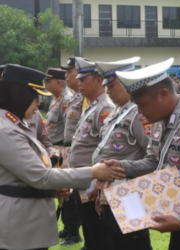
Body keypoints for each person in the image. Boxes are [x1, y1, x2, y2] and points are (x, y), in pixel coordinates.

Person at [106, 58, 180, 250]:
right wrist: (122, 166)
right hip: (178, 217)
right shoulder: (159, 122)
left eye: (142, 104)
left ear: (162, 94)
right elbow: (154, 162)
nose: (140, 112)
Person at [0, 64, 119, 250]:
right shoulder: (6, 130)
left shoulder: (13, 125)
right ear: (20, 95)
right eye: (35, 97)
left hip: (25, 223)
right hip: (19, 228)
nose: (38, 104)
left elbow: (22, 177)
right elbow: (41, 176)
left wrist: (49, 191)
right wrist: (94, 172)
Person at [93, 57, 153, 250]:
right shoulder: (117, 112)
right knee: (114, 242)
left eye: (111, 86)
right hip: (110, 192)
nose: (107, 92)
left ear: (127, 82)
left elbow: (153, 157)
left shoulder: (139, 113)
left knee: (133, 244)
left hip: (129, 194)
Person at [68, 57, 114, 250]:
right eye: (78, 79)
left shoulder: (105, 108)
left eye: (83, 80)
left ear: (97, 80)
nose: (79, 84)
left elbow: (106, 146)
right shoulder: (92, 105)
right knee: (89, 228)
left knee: (96, 231)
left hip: (92, 181)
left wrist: (98, 182)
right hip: (82, 179)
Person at [59, 57, 86, 246]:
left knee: (82, 201)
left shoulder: (95, 102)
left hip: (84, 158)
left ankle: (76, 233)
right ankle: (74, 231)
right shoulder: (77, 98)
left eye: (70, 72)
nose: (66, 76)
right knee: (72, 198)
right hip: (69, 151)